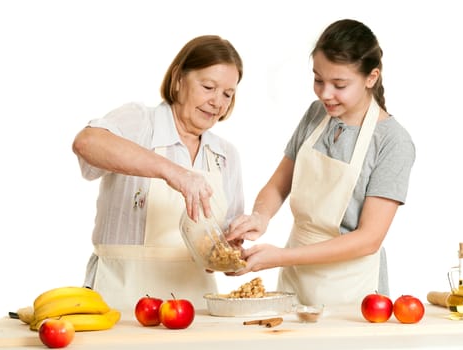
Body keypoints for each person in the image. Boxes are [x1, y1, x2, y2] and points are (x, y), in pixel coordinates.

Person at [226, 19, 415, 306]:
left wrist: (282, 257)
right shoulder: (317, 115)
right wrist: (259, 217)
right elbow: (279, 185)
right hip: (296, 280)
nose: (325, 94)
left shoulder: (392, 141)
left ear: (371, 77)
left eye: (339, 85)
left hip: (352, 290)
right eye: (318, 79)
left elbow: (369, 239)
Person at [72, 35, 245, 311]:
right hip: (121, 297)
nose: (217, 102)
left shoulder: (225, 156)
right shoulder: (140, 122)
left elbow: (223, 238)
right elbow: (86, 143)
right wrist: (172, 172)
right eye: (208, 87)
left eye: (228, 93)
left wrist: (231, 250)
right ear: (178, 79)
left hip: (194, 306)